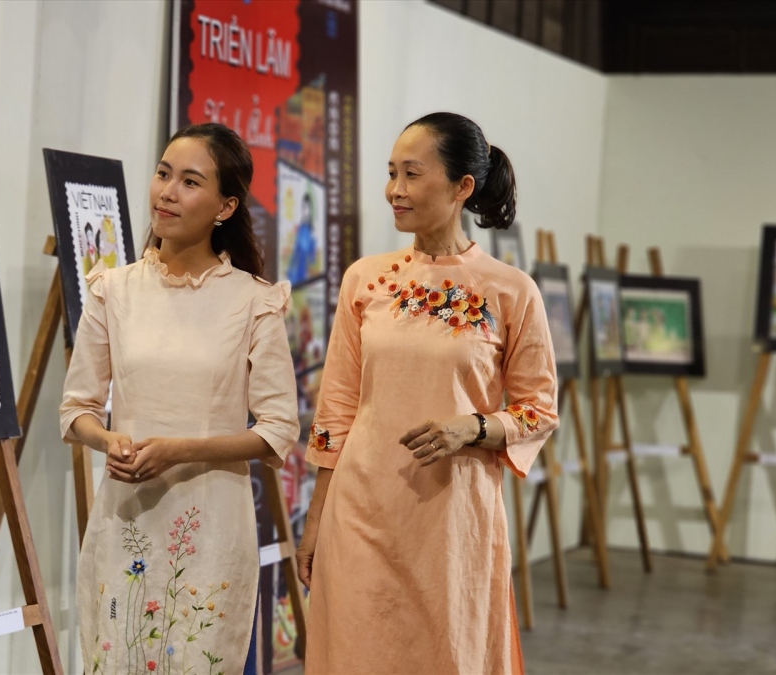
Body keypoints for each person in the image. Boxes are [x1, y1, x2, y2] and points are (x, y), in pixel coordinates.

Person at [295, 112, 558, 674]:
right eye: (392, 173)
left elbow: (538, 410)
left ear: (463, 187)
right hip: (360, 510)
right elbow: (336, 407)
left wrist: (473, 428)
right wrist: (316, 516)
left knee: (445, 654)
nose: (395, 190)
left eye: (412, 174)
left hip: (452, 520)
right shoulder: (365, 280)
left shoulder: (511, 292)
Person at [61, 123, 298, 675]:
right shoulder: (112, 290)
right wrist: (107, 438)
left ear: (225, 206)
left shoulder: (254, 302)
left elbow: (277, 431)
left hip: (212, 527)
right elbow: (76, 410)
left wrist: (180, 450)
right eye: (164, 174)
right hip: (125, 520)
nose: (167, 192)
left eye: (190, 181)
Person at [286, 192, 317, 285]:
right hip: (297, 265)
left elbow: (311, 253)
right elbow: (296, 249)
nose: (305, 211)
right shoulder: (301, 228)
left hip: (303, 267)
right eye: (303, 207)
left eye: (307, 208)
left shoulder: (310, 230)